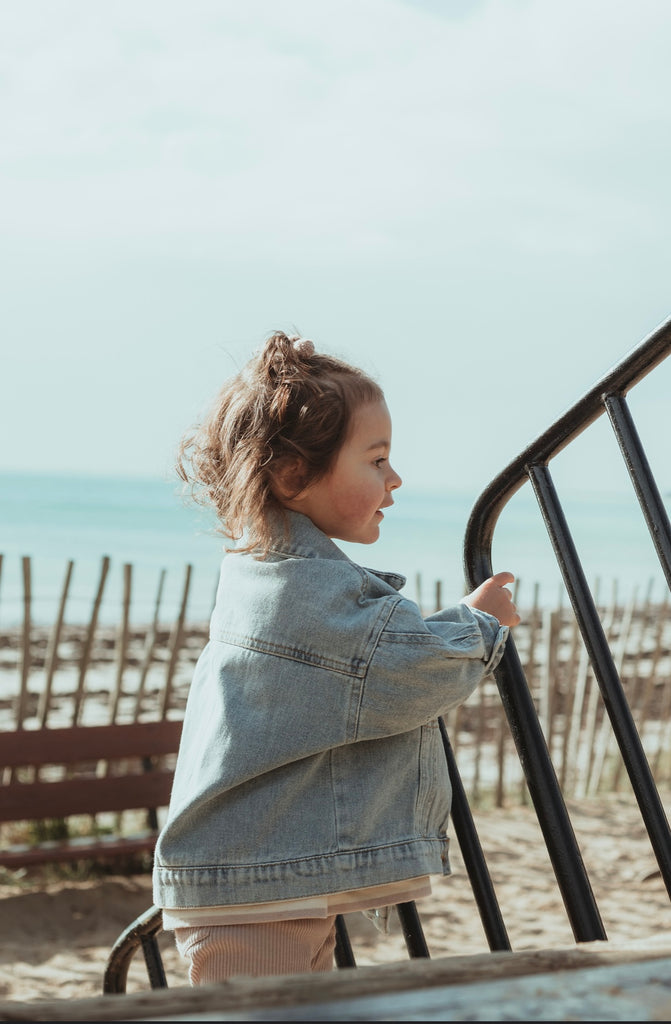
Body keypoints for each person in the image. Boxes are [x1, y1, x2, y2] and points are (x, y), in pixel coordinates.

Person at [152, 329, 520, 985]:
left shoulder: (271, 573)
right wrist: (477, 624)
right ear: (294, 475)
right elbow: (402, 670)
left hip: (261, 883)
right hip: (251, 895)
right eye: (375, 460)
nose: (394, 477)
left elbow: (365, 653)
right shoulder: (304, 589)